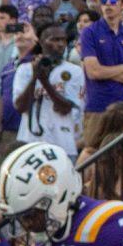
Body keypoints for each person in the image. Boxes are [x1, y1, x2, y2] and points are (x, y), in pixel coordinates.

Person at [13, 21, 85, 157]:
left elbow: (65, 108)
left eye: (63, 40)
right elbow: (20, 107)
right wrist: (35, 78)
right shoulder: (25, 69)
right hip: (30, 142)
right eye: (54, 40)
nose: (61, 44)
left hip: (62, 144)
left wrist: (45, 82)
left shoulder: (74, 71)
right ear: (40, 42)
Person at [80, 0, 123, 141]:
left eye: (113, 1)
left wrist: (104, 72)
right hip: (98, 106)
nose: (108, 4)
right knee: (92, 153)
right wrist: (121, 68)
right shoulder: (90, 32)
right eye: (104, 1)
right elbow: (93, 72)